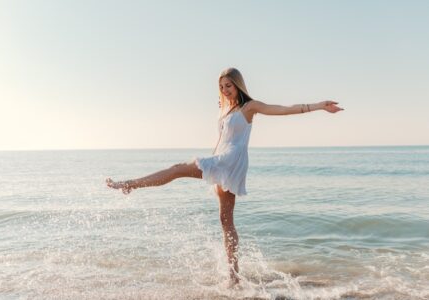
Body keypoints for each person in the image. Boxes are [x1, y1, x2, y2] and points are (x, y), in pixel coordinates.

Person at [106, 67, 343, 286]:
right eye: (221, 86)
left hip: (230, 161)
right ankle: (234, 276)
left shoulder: (249, 107)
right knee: (226, 221)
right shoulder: (226, 109)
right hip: (222, 160)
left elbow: (284, 109)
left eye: (228, 85)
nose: (224, 90)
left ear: (238, 85)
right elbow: (221, 139)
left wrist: (319, 105)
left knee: (178, 168)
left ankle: (130, 185)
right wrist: (211, 161)